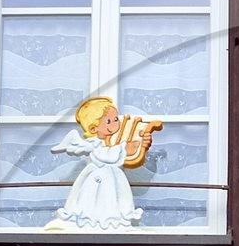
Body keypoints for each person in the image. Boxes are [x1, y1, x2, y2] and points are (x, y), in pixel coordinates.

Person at [44, 96, 162, 235]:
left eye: (116, 119)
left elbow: (130, 156)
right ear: (94, 129)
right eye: (109, 121)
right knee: (98, 199)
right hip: (99, 178)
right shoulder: (94, 143)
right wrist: (124, 148)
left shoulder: (110, 142)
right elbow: (104, 155)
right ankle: (94, 222)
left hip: (112, 177)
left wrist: (142, 143)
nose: (116, 123)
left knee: (113, 199)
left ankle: (114, 222)